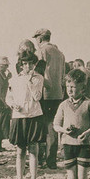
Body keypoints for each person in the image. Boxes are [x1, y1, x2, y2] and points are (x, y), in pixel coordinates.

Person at [53, 69, 90, 179]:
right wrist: (64, 130)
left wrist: (86, 133)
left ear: (82, 87)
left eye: (73, 87)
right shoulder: (63, 105)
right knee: (71, 178)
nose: (69, 90)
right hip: (67, 145)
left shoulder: (89, 104)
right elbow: (55, 125)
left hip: (83, 145)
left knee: (82, 178)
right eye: (68, 86)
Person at [7, 51, 45, 179]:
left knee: (34, 149)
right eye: (24, 64)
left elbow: (37, 97)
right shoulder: (14, 79)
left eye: (30, 63)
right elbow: (9, 97)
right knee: (20, 150)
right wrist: (13, 105)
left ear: (34, 64)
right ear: (21, 65)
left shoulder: (39, 78)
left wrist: (30, 82)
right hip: (19, 117)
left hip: (34, 115)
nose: (27, 66)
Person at [33, 28, 65, 169]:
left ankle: (40, 160)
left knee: (41, 126)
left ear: (40, 39)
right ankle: (51, 160)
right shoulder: (60, 53)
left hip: (44, 94)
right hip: (57, 94)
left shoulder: (41, 51)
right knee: (53, 126)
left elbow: (37, 73)